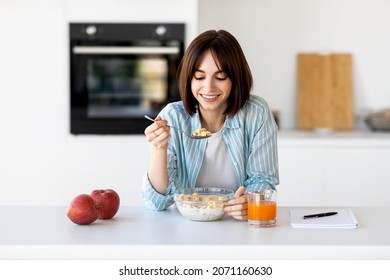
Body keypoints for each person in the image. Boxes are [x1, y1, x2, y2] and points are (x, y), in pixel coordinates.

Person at [142, 29, 279, 220]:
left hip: (237, 224)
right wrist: (158, 149)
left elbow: (263, 179)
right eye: (199, 77)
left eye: (220, 77)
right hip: (188, 225)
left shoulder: (256, 113)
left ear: (236, 78)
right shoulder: (173, 117)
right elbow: (157, 202)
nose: (208, 87)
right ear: (188, 79)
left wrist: (250, 201)